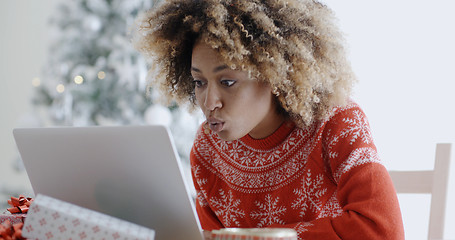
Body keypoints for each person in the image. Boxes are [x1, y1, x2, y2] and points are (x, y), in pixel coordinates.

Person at [132, 0, 405, 239]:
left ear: (273, 76)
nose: (209, 102)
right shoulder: (207, 149)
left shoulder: (337, 123)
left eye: (227, 81)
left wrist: (268, 238)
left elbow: (382, 232)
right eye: (199, 82)